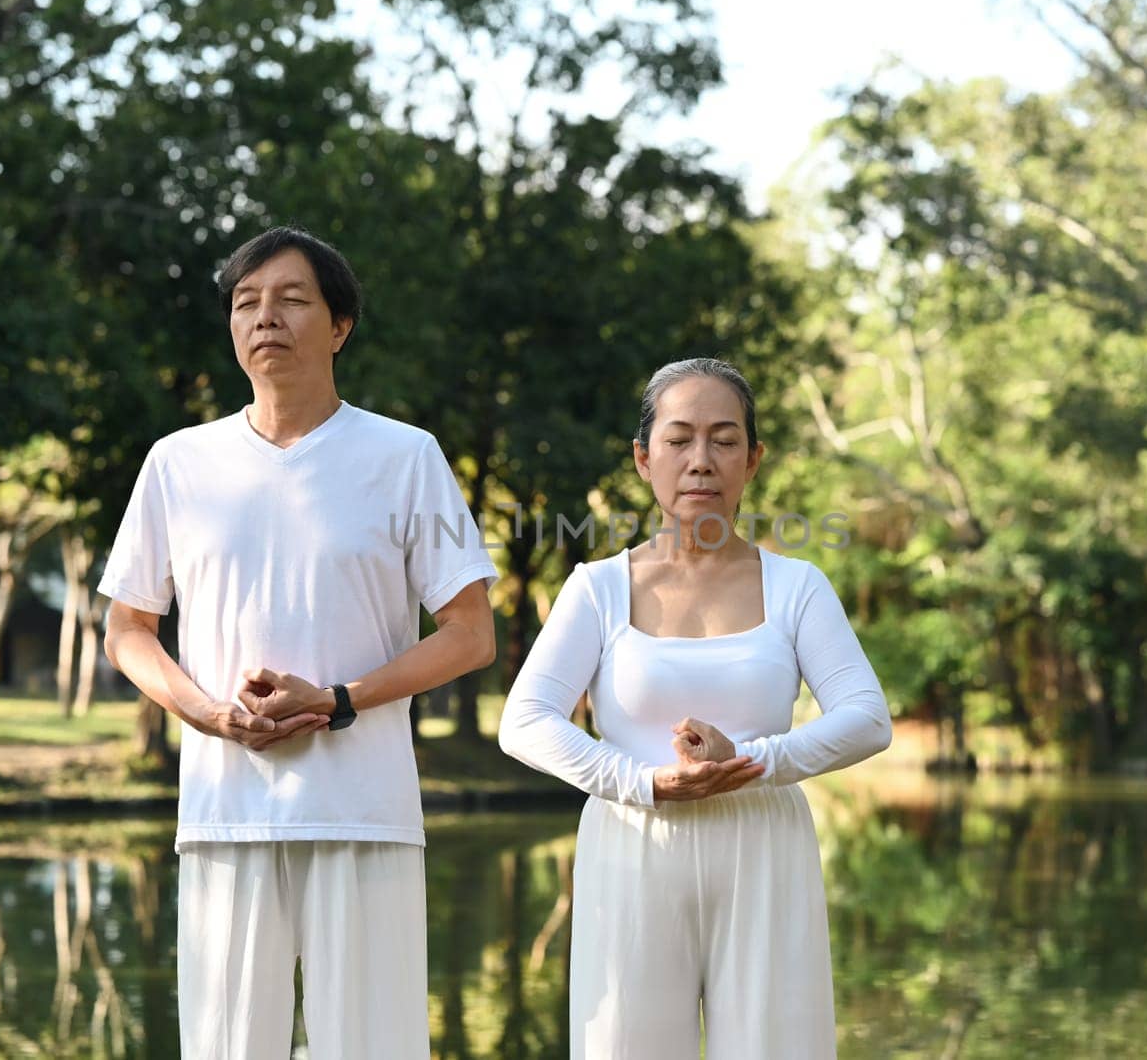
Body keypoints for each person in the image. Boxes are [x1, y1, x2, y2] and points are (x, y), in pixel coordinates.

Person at [98, 226, 497, 1059]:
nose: (264, 318)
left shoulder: (405, 457)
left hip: (367, 812)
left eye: (290, 299)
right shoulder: (178, 462)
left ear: (340, 324)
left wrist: (340, 699)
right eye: (246, 303)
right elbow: (128, 629)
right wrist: (207, 712)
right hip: (223, 815)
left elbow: (470, 634)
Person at [498, 357, 892, 1060]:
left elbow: (867, 714)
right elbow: (524, 720)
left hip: (764, 846)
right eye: (679, 439)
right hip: (632, 845)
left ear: (754, 459)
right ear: (644, 459)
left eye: (724, 439)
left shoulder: (798, 586)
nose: (701, 461)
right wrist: (643, 781)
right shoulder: (596, 589)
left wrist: (754, 761)